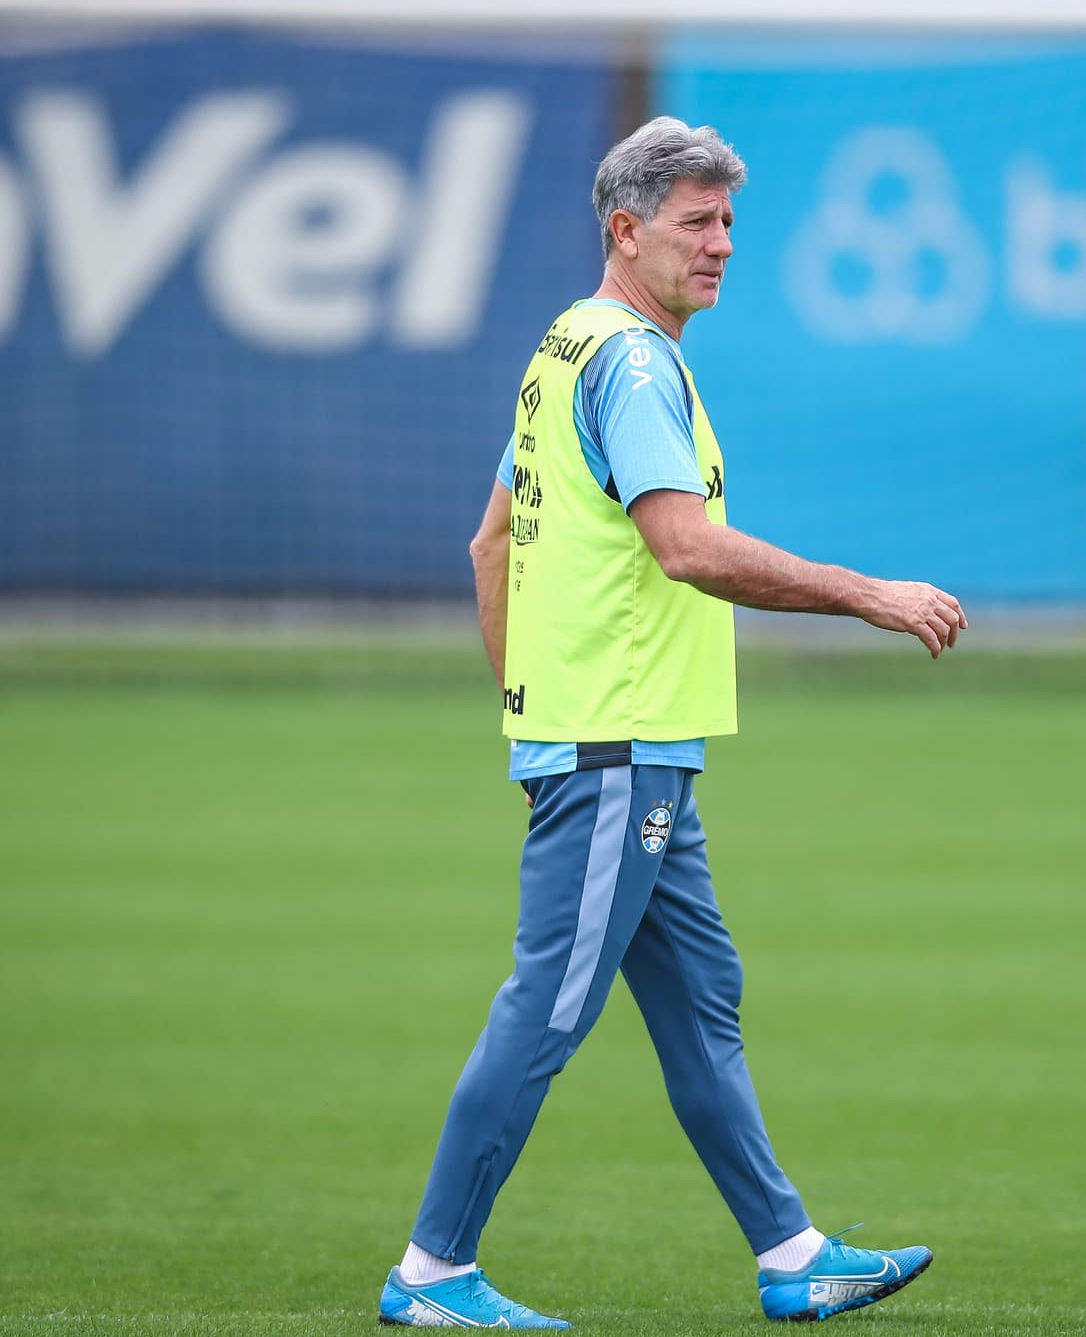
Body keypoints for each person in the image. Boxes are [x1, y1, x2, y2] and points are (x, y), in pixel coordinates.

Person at [378, 117, 966, 1329]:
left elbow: (489, 545)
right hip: (617, 746)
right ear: (624, 230)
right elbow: (685, 548)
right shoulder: (634, 366)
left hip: (621, 747)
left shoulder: (565, 345)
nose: (722, 243)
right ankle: (432, 1272)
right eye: (697, 222)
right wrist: (868, 594)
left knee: (702, 1002)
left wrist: (527, 714)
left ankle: (791, 1253)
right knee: (547, 1009)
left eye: (729, 221)